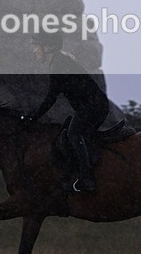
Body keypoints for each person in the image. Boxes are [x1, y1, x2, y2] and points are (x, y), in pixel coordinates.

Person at [22, 30, 109, 192]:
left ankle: (87, 179)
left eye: (36, 46)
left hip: (92, 107)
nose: (34, 50)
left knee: (74, 134)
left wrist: (31, 118)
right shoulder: (60, 61)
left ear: (47, 47)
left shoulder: (59, 65)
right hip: (92, 105)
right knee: (70, 132)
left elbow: (50, 98)